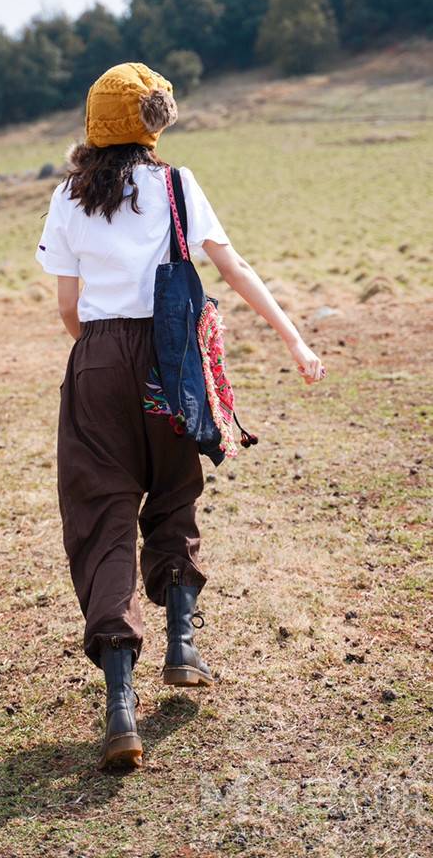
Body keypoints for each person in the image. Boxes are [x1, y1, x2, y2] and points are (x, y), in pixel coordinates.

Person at [34, 61, 326, 771]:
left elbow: (68, 310)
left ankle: (119, 709)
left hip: (98, 359)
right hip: (171, 359)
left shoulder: (68, 197)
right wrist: (293, 337)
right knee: (172, 494)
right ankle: (182, 644)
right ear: (153, 123)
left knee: (100, 514)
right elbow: (233, 268)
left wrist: (103, 356)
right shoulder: (175, 186)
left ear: (92, 124)